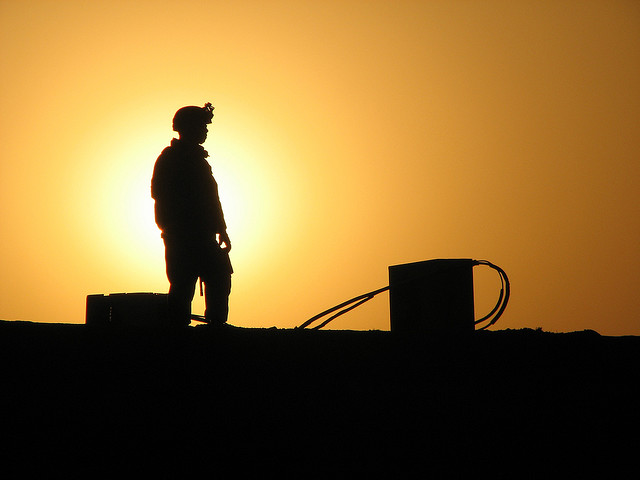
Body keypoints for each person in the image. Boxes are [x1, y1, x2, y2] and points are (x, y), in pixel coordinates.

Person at [151, 102, 232, 327]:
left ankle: (215, 325)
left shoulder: (198, 161)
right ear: (187, 128)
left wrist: (221, 228)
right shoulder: (171, 159)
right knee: (183, 283)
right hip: (182, 236)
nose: (205, 131)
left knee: (219, 275)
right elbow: (161, 194)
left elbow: (211, 199)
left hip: (202, 235)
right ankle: (178, 329)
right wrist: (182, 226)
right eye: (201, 126)